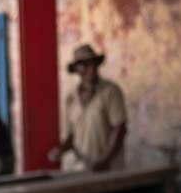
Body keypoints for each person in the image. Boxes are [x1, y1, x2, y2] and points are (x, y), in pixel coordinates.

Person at [48, 44, 128, 172]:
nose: (90, 69)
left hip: (109, 169)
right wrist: (60, 150)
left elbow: (119, 129)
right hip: (79, 169)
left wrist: (104, 160)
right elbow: (71, 135)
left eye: (93, 64)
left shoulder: (111, 92)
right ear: (76, 69)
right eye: (84, 65)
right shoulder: (71, 98)